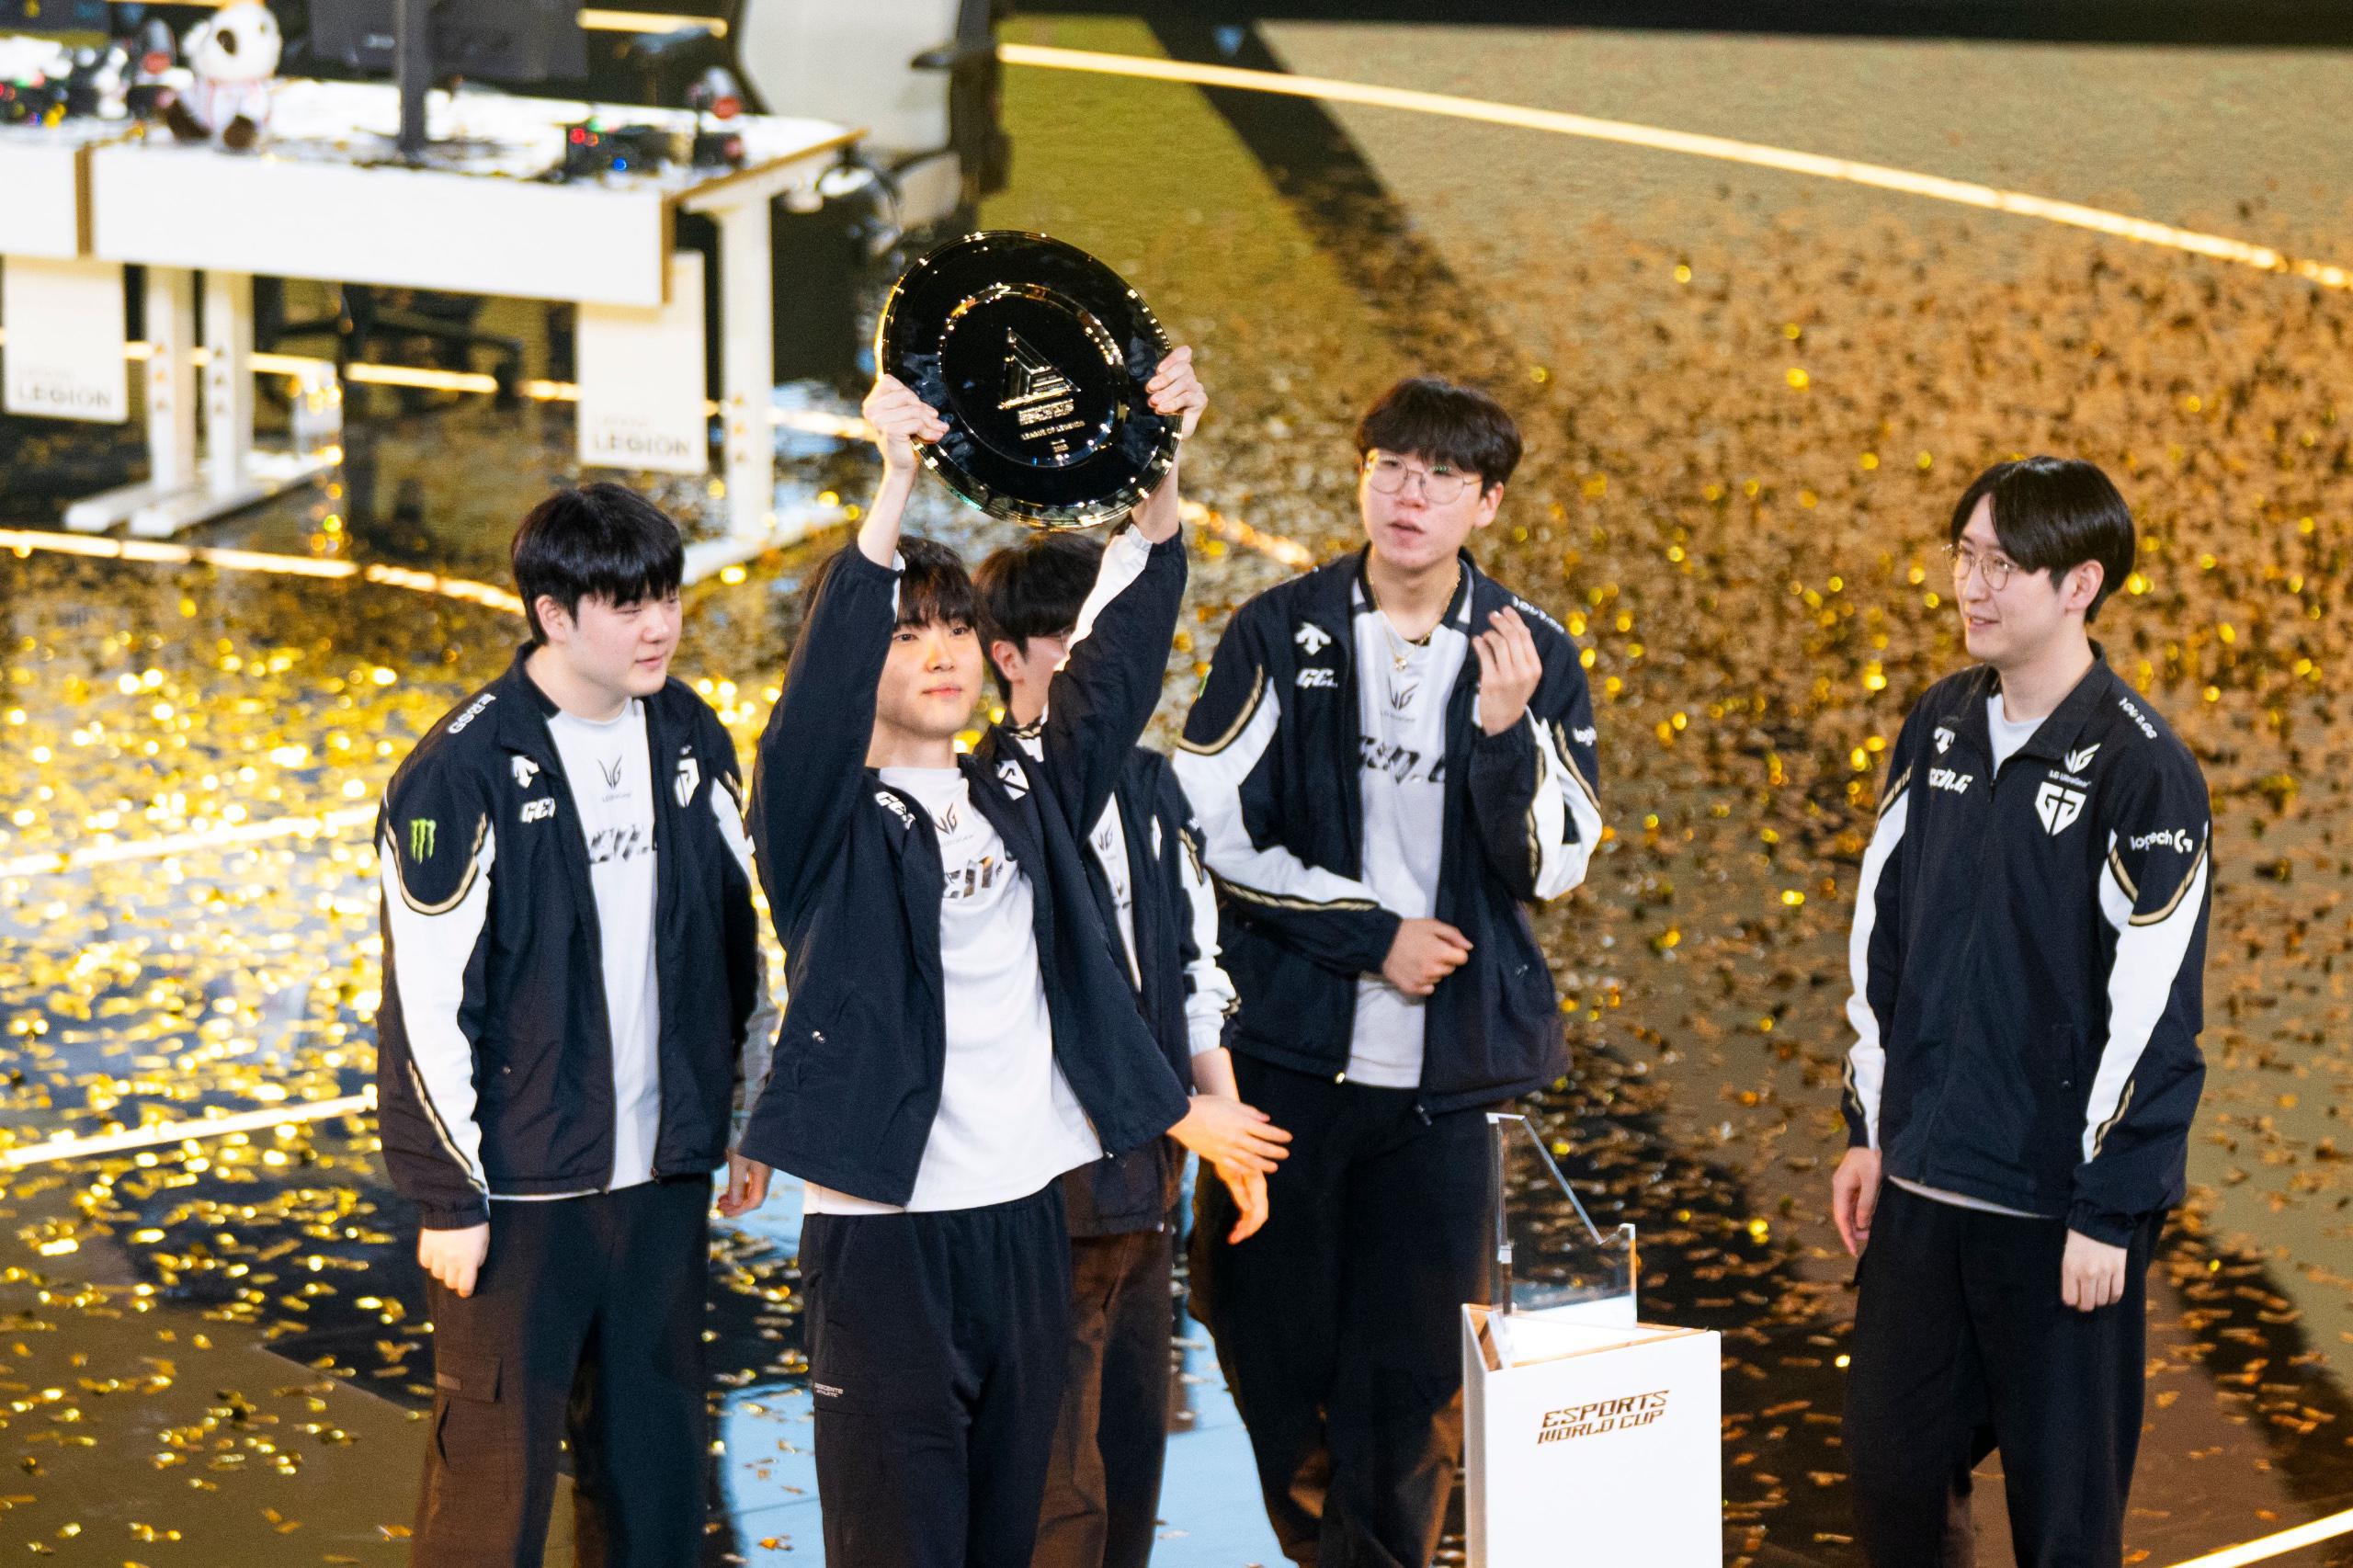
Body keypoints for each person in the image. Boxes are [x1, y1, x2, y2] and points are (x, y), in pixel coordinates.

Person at [739, 354, 1270, 1568]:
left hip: (1027, 1223)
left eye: (955, 629)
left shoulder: (1021, 789)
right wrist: (893, 482)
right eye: (906, 632)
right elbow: (811, 710)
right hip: (885, 1242)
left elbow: (1117, 662)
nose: (942, 652)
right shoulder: (820, 819)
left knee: (1019, 1537)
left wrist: (1156, 462)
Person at [1172, 375, 1604, 1567]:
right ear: (1363, 478)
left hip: (1446, 1088)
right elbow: (1206, 826)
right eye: (1391, 468)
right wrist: (1371, 932)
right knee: (1265, 1343)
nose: (1411, 495)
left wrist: (1507, 734)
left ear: (1487, 502)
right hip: (1287, 1064)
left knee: (1414, 1380)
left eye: (1442, 477)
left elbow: (1555, 865)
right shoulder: (1280, 629)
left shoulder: (1531, 650)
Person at [374, 483, 779, 1568]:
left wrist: (747, 1112)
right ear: (554, 614)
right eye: (628, 604)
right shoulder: (456, 772)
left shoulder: (688, 730)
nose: (659, 626)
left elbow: (733, 937)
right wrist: (448, 1195)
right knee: (490, 1498)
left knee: (656, 1483)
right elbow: (424, 1005)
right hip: (521, 1198)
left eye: (668, 598)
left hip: (661, 1182)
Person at [1835, 457, 2212, 1568]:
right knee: (1893, 1484)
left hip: (2055, 1215)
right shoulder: (1939, 722)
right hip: (1918, 1193)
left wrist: (2110, 1207)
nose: (1972, 584)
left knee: (2064, 1528)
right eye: (1964, 555)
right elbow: (1881, 935)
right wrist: (1868, 1128)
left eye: (2003, 564)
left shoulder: (2144, 770)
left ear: (2079, 583)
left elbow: (2155, 1008)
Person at [972, 533, 1291, 1568]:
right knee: (1051, 1503)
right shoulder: (984, 799)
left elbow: (1194, 965)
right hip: (1044, 1205)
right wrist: (1185, 1115)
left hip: (1146, 1195)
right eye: (1080, 646)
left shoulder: (1152, 787)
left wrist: (1223, 1131)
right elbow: (1040, 1006)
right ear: (1008, 656)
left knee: (1127, 1482)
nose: (1107, 672)